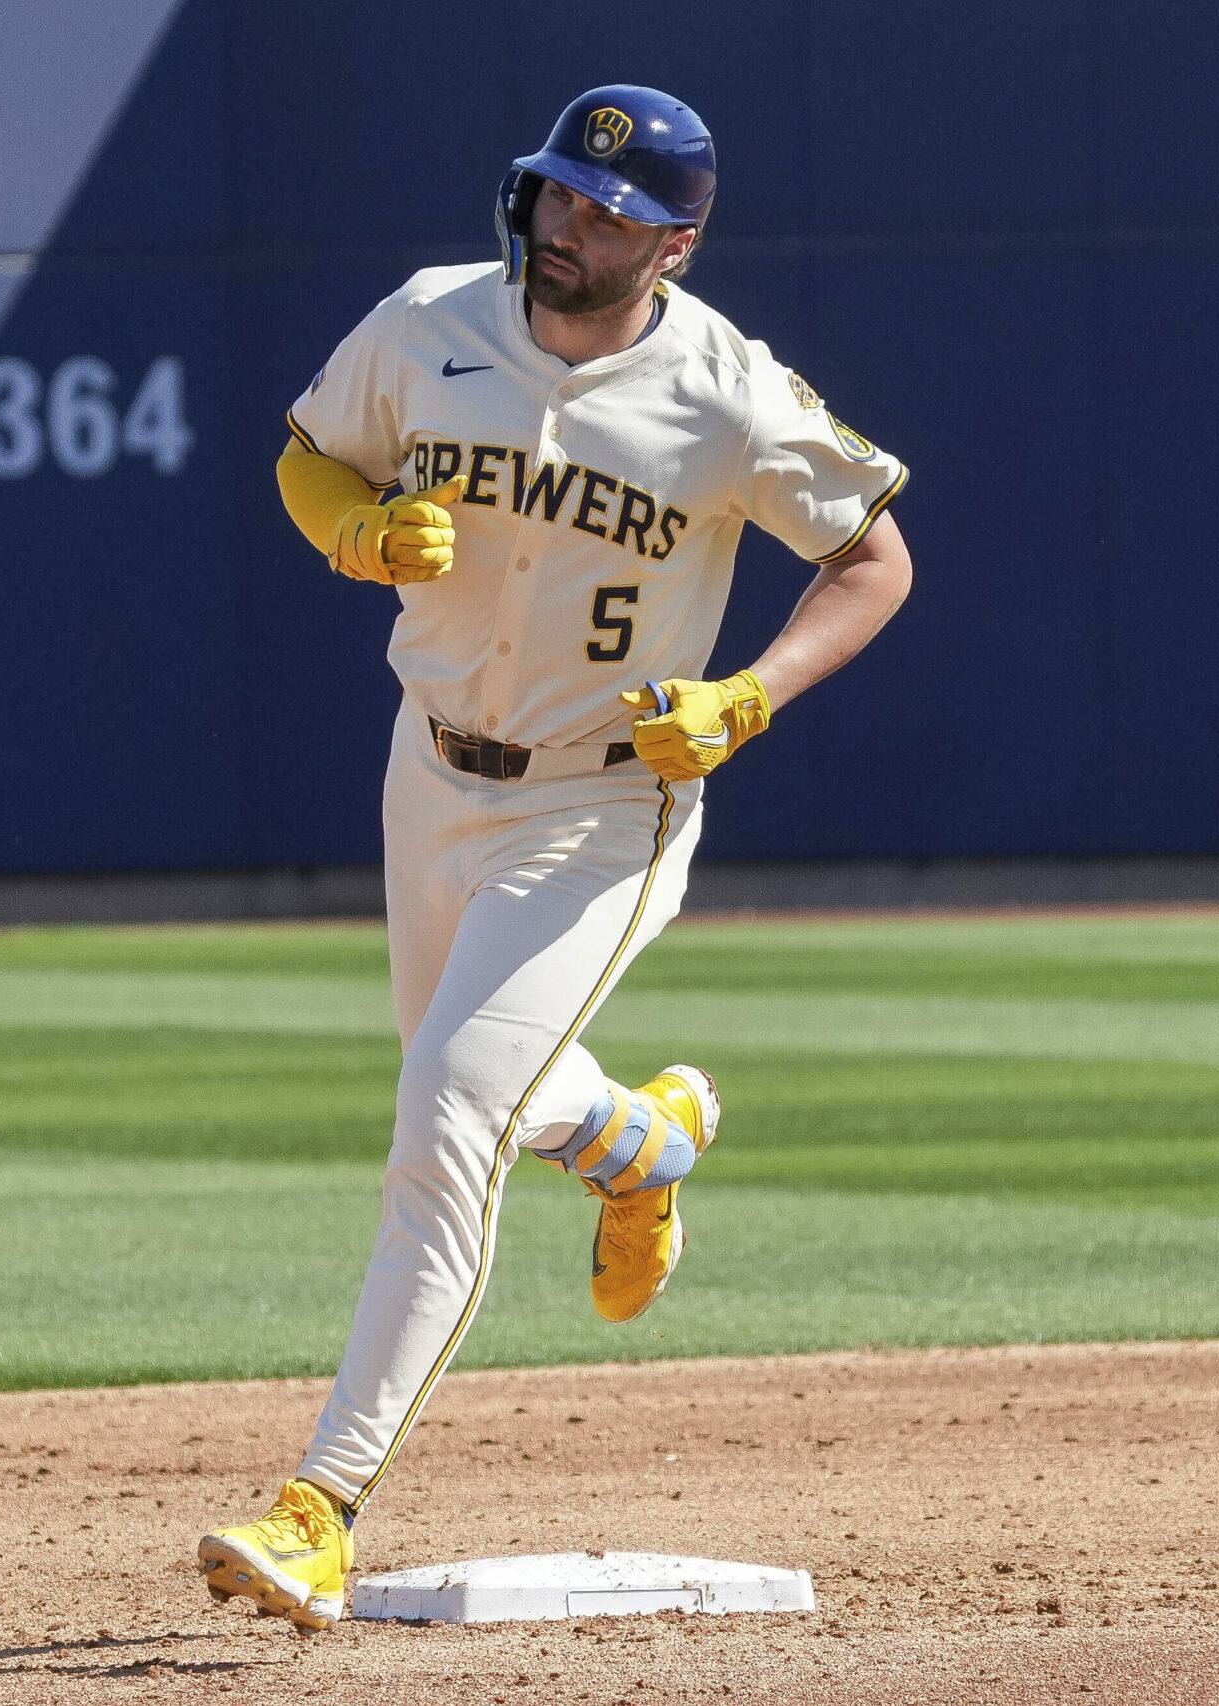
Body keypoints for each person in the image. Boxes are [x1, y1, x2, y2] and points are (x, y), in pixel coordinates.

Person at [197, 86, 914, 1628]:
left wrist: (746, 697)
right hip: (430, 769)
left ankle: (320, 1501)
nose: (565, 226)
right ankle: (641, 1145)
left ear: (675, 240)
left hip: (605, 803)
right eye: (553, 195)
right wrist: (359, 533)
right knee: (484, 1081)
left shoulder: (725, 391)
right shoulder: (429, 320)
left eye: (604, 212)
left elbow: (874, 556)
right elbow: (309, 458)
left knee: (449, 1106)